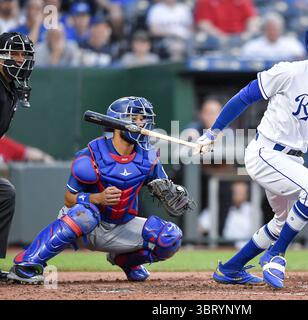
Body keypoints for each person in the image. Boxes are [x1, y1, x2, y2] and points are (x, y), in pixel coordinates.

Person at [196, 20, 308, 289]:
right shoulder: (291, 72)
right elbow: (245, 96)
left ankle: (231, 268)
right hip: (266, 152)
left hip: (293, 159)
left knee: (281, 222)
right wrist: (213, 132)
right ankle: (276, 254)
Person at [7, 96, 186, 284]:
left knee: (170, 237)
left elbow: (165, 189)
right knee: (84, 214)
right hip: (91, 226)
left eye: (144, 119)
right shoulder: (92, 154)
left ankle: (124, 260)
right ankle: (26, 264)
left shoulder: (148, 157)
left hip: (122, 225)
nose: (142, 123)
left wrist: (172, 193)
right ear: (117, 123)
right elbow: (68, 199)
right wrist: (97, 198)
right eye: (135, 118)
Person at [0, 32, 35, 281]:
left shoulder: (9, 87)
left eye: (24, 55)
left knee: (5, 193)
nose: (20, 59)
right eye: (14, 54)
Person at [241, 12, 305, 60]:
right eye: (270, 29)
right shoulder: (252, 46)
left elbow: (300, 57)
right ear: (264, 29)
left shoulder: (292, 44)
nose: (272, 32)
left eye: (275, 29)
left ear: (281, 30)